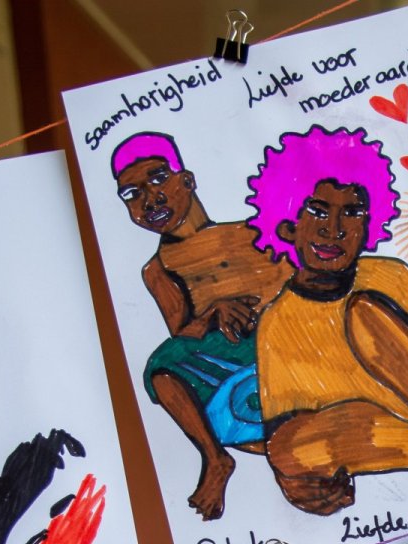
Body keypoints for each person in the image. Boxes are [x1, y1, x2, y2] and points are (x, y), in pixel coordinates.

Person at [244, 126, 408, 518]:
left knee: (364, 312)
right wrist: (296, 481)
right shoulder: (277, 321)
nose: (334, 229)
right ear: (288, 226)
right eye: (318, 211)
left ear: (369, 226)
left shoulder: (388, 276)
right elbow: (286, 432)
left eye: (352, 213)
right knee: (285, 449)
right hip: (370, 437)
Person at [112, 133, 291, 520]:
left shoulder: (253, 231)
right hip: (235, 364)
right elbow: (182, 336)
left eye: (158, 179)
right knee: (161, 365)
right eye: (132, 194)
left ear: (187, 180)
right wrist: (212, 314)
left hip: (291, 345)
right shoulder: (157, 270)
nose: (150, 199)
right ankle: (214, 458)